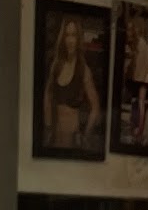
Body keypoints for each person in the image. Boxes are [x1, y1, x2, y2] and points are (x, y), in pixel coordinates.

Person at [44, 16, 104, 152]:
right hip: (55, 134)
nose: (70, 40)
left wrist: (86, 135)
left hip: (71, 136)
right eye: (67, 35)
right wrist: (48, 125)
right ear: (63, 38)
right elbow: (48, 94)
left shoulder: (83, 70)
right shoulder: (57, 65)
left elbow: (95, 107)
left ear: (78, 39)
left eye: (74, 35)